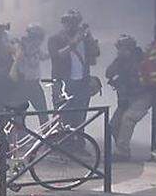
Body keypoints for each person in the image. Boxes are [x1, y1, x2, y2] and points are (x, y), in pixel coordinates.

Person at [47, 9, 100, 127]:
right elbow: (57, 56)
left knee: (80, 118)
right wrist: (75, 41)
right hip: (63, 83)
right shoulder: (55, 39)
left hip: (82, 83)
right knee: (61, 117)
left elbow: (95, 53)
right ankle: (59, 142)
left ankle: (79, 142)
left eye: (74, 22)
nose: (71, 26)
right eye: (67, 22)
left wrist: (90, 37)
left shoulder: (84, 39)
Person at [107, 34, 147, 162]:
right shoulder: (120, 60)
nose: (119, 51)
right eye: (119, 48)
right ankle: (123, 148)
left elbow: (139, 80)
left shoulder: (141, 60)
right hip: (127, 98)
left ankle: (122, 152)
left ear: (129, 48)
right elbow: (109, 72)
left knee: (128, 118)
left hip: (143, 95)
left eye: (122, 48)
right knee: (113, 125)